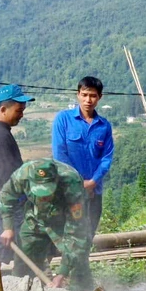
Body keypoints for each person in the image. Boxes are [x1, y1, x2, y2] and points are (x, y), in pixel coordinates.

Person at [0, 158, 93, 291]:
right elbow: (6, 196)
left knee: (78, 261)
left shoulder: (71, 183)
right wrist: (8, 227)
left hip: (64, 221)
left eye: (48, 192)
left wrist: (62, 273)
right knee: (23, 262)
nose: (43, 197)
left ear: (56, 181)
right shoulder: (22, 175)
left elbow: (77, 233)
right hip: (35, 218)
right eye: (39, 192)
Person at [53, 76, 115, 236]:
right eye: (85, 94)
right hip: (68, 192)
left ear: (99, 97)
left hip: (94, 192)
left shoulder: (104, 126)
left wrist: (93, 182)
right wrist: (80, 183)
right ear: (78, 94)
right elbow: (60, 154)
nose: (88, 100)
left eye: (93, 96)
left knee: (88, 236)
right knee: (67, 237)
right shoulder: (63, 119)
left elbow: (106, 158)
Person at [0, 83, 34, 266]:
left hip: (4, 205)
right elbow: (10, 178)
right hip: (7, 208)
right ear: (3, 109)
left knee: (12, 258)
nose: (21, 115)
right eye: (19, 110)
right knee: (10, 260)